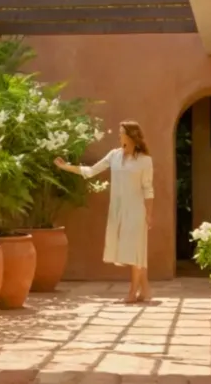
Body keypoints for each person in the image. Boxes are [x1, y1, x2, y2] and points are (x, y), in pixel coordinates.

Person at [54, 120, 154, 304]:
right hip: (117, 209)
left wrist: (148, 214)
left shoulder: (145, 161)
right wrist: (66, 167)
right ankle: (145, 290)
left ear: (131, 136)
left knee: (135, 250)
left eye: (122, 132)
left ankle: (133, 292)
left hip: (136, 210)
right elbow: (91, 171)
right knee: (135, 250)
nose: (119, 135)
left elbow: (148, 189)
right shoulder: (114, 155)